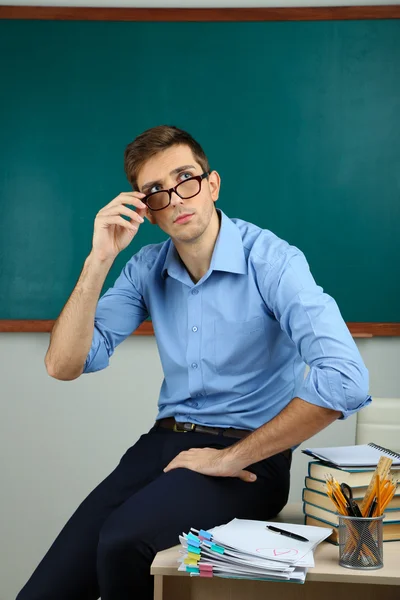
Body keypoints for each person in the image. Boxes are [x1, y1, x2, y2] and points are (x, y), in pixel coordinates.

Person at [17, 125, 371, 600]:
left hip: (249, 458)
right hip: (164, 445)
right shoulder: (145, 266)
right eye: (155, 192)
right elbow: (63, 364)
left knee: (123, 542)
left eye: (185, 178)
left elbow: (345, 379)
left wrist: (229, 458)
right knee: (45, 591)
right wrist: (98, 260)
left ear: (212, 184)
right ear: (146, 209)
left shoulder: (273, 262)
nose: (176, 198)